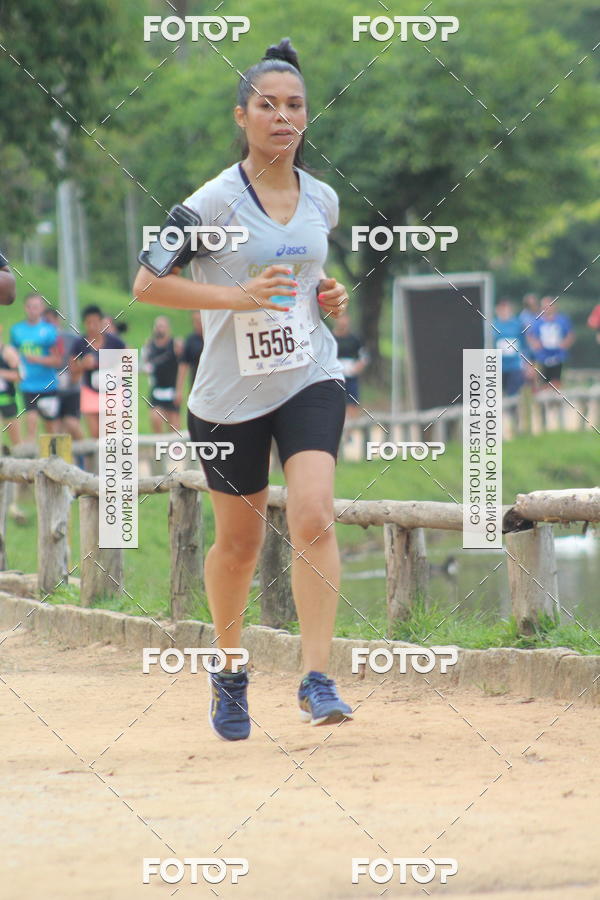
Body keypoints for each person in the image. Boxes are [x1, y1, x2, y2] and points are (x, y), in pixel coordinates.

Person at [133, 37, 353, 741]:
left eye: (294, 106)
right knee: (240, 546)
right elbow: (147, 284)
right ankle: (230, 670)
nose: (282, 117)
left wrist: (329, 299)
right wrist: (238, 299)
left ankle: (318, 679)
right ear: (243, 116)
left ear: (307, 117)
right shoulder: (212, 202)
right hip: (229, 395)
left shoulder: (323, 199)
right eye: (268, 105)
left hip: (308, 376)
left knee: (315, 514)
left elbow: (306, 282)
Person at [9, 293, 61, 441]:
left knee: (51, 428)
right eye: (30, 307)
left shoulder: (50, 331)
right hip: (27, 385)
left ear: (41, 309)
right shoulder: (17, 330)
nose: (32, 310)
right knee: (31, 424)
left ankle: (54, 460)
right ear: (25, 308)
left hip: (48, 385)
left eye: (36, 307)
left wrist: (37, 359)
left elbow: (57, 360)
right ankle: (32, 461)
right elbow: (12, 355)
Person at [70, 305, 125, 438]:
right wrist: (83, 365)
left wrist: (116, 369)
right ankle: (96, 458)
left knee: (111, 430)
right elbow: (72, 370)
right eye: (88, 323)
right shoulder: (80, 344)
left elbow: (129, 362)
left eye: (95, 322)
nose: (92, 326)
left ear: (101, 322)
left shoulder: (114, 342)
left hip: (112, 391)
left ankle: (113, 457)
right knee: (95, 433)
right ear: (84, 324)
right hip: (90, 391)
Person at [43, 308, 83, 440]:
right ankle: (61, 458)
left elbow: (81, 357)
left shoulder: (71, 339)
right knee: (56, 428)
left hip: (71, 387)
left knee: (71, 423)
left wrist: (75, 374)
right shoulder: (42, 341)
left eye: (50, 321)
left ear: (57, 320)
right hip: (51, 388)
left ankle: (86, 452)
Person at [142, 316, 182, 431]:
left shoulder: (175, 345)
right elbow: (145, 365)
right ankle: (158, 447)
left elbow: (183, 366)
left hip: (172, 391)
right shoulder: (149, 345)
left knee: (174, 430)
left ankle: (172, 448)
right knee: (156, 419)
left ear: (168, 329)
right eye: (157, 326)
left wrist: (179, 391)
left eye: (162, 326)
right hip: (157, 391)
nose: (159, 329)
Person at [527, 296, 575, 389]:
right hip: (542, 358)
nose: (547, 308)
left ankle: (555, 401)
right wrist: (536, 344)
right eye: (544, 306)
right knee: (542, 384)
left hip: (558, 357)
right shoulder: (537, 321)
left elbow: (570, 335)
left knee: (557, 384)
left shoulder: (562, 320)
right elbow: (530, 336)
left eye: (549, 306)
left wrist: (564, 344)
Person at [332, 312, 369, 418]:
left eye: (345, 318)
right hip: (335, 377)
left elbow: (364, 356)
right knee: (336, 404)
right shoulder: (330, 338)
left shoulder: (355, 339)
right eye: (340, 318)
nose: (343, 322)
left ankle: (350, 430)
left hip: (351, 378)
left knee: (352, 404)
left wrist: (359, 366)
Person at [492, 298, 525, 396]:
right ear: (497, 310)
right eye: (501, 309)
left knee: (513, 395)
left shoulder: (517, 324)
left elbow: (524, 344)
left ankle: (513, 411)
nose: (504, 312)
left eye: (506, 309)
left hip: (514, 366)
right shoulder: (493, 325)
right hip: (497, 366)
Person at [176, 310, 204, 409]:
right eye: (196, 321)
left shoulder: (214, 338)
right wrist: (179, 390)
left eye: (200, 321)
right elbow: (183, 365)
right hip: (196, 387)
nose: (199, 324)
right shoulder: (190, 340)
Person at [0, 323, 21, 445]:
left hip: (8, 400)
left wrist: (2, 373)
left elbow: (19, 376)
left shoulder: (7, 352)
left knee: (16, 442)